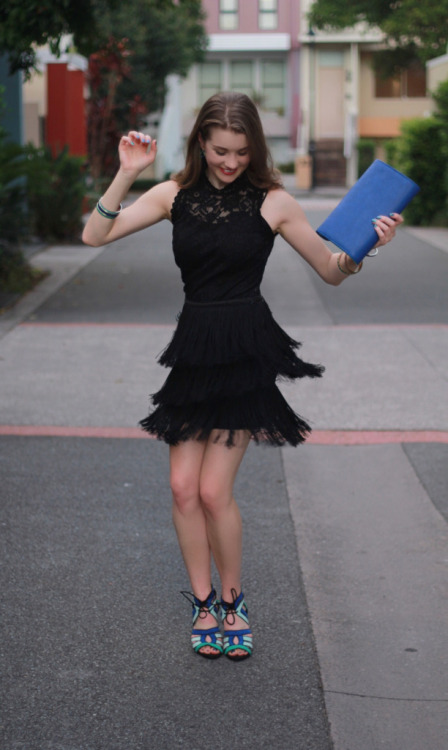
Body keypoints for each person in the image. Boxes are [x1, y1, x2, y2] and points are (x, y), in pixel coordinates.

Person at [83, 91, 402, 662]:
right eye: (220, 150)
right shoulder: (171, 194)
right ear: (201, 142)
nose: (230, 162)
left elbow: (331, 272)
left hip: (245, 349)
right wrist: (126, 173)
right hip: (194, 350)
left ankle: (234, 603)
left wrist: (362, 248)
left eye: (240, 151)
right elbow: (95, 236)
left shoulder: (273, 202)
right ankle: (203, 604)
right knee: (182, 488)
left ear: (254, 147)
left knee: (211, 489)